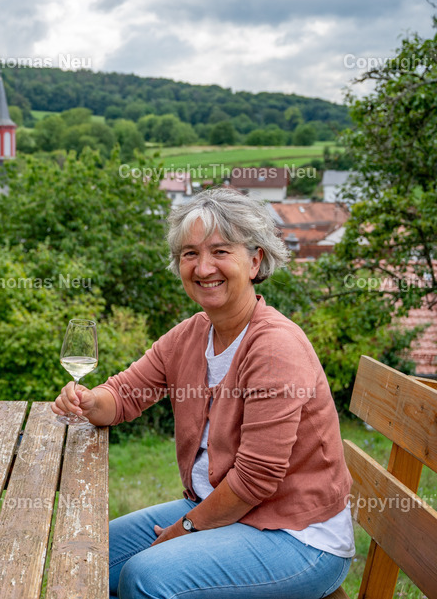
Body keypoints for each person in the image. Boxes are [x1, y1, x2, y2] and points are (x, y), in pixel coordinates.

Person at [54, 187, 354, 599]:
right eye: (190, 253)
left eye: (220, 251)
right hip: (224, 512)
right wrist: (89, 402)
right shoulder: (193, 334)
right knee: (81, 556)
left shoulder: (275, 347)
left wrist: (186, 529)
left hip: (297, 536)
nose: (203, 266)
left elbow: (255, 480)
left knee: (146, 577)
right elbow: (122, 395)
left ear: (255, 260)